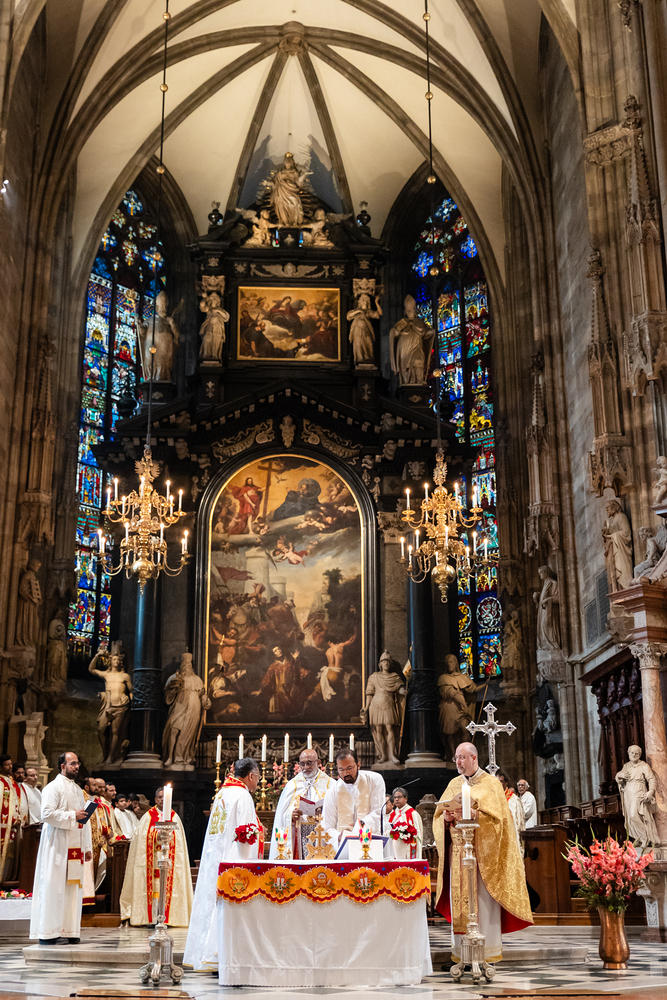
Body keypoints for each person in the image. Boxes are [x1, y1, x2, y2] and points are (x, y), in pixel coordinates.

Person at [434, 742, 532, 966]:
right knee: (460, 903)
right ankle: (462, 955)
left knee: (482, 902)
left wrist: (475, 814)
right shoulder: (453, 784)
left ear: (474, 758)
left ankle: (486, 954)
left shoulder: (491, 784)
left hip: (483, 858)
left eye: (462, 757)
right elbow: (439, 816)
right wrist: (446, 819)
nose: (458, 762)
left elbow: (499, 823)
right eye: (456, 758)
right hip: (458, 853)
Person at [183, 758, 262, 972]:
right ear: (251, 776)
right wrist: (244, 868)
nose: (258, 782)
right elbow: (246, 835)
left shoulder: (222, 793)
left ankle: (204, 954)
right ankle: (221, 955)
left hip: (215, 860)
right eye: (257, 778)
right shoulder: (243, 795)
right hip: (233, 863)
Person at [29, 751, 92, 944]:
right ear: (62, 765)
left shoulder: (77, 790)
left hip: (75, 845)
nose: (76, 767)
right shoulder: (52, 787)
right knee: (53, 885)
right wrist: (72, 816)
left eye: (78, 763)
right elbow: (46, 814)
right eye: (72, 763)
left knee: (73, 889)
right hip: (56, 844)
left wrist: (87, 846)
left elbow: (84, 819)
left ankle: (70, 930)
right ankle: (49, 932)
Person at [120, 787, 193, 927]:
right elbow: (141, 838)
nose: (162, 800)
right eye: (160, 797)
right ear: (155, 799)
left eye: (165, 797)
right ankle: (152, 918)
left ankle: (169, 918)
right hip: (152, 858)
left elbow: (179, 842)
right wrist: (156, 836)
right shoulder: (148, 817)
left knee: (166, 886)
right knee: (153, 888)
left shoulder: (174, 817)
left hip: (169, 858)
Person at [269, 748, 333, 859]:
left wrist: (325, 814)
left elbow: (338, 814)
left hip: (323, 836)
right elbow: (281, 817)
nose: (305, 767)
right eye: (302, 764)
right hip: (299, 835)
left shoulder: (330, 785)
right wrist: (291, 816)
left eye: (309, 763)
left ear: (318, 762)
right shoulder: (292, 785)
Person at [322, 749, 386, 846]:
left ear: (358, 765)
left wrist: (357, 829)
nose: (346, 773)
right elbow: (327, 826)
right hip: (344, 846)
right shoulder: (332, 791)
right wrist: (338, 836)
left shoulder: (374, 780)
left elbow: (378, 812)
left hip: (371, 841)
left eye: (349, 768)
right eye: (341, 769)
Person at [615, 745, 660, 848]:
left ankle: (645, 838)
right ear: (628, 753)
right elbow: (619, 777)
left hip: (639, 791)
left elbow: (651, 779)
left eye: (636, 753)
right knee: (630, 818)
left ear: (640, 755)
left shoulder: (644, 766)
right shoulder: (627, 766)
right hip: (628, 794)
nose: (634, 755)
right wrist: (620, 776)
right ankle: (639, 838)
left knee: (634, 815)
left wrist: (651, 791)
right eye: (632, 753)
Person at [0, 755, 22, 880]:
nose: (10, 766)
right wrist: (12, 820)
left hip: (11, 827)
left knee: (9, 858)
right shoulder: (0, 783)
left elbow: (14, 804)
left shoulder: (11, 783)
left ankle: (5, 882)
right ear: (0, 767)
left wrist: (17, 818)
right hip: (3, 826)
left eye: (10, 763)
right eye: (7, 764)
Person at [388, 787, 423, 860]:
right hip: (395, 848)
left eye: (399, 797)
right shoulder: (393, 814)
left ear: (405, 798)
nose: (396, 799)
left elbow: (417, 834)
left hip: (408, 848)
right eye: (395, 797)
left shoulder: (412, 813)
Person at [498, 772, 525, 854]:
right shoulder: (491, 798)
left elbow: (519, 823)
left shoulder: (514, 800)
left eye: (500, 781)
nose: (497, 784)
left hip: (510, 834)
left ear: (506, 783)